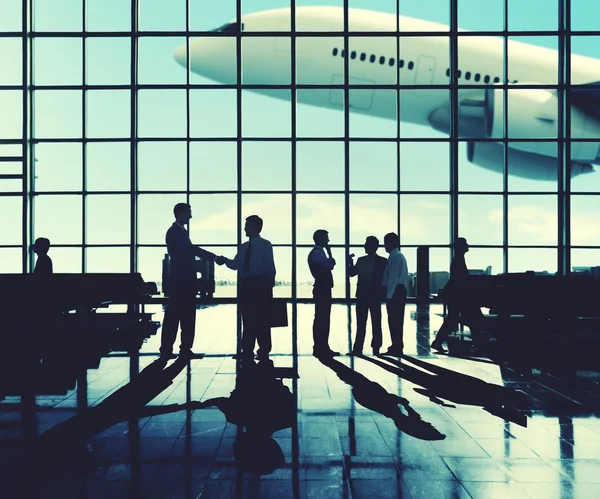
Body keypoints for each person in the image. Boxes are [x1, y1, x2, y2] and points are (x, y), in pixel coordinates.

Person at [161, 203, 221, 359]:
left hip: (180, 282)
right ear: (180, 213)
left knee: (177, 316)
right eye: (189, 212)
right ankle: (179, 349)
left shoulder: (177, 232)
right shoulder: (175, 232)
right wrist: (214, 257)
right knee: (183, 316)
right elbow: (191, 250)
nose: (191, 216)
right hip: (182, 282)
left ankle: (172, 349)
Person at [217, 215, 276, 361]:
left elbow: (269, 267)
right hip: (252, 286)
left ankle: (257, 349)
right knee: (251, 319)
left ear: (257, 227)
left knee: (256, 319)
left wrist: (269, 286)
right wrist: (225, 261)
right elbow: (236, 264)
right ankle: (254, 349)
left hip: (257, 285)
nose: (244, 228)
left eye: (247, 225)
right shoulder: (245, 247)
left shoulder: (264, 245)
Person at [431, 237, 486, 353]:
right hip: (460, 297)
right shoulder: (459, 260)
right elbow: (458, 280)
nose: (468, 246)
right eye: (465, 244)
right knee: (470, 319)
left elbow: (454, 280)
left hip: (457, 297)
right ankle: (479, 344)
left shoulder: (457, 259)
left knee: (457, 320)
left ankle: (438, 342)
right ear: (461, 247)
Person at [348, 236, 388, 355]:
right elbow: (351, 273)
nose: (364, 246)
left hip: (371, 296)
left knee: (374, 323)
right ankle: (360, 348)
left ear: (373, 246)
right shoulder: (365, 260)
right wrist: (349, 262)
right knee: (364, 323)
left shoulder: (382, 261)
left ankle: (372, 348)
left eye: (366, 244)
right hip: (364, 296)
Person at [308, 229, 339, 358]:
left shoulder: (317, 253)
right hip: (322, 289)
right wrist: (330, 252)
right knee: (323, 318)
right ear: (320, 239)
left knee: (321, 317)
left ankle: (321, 346)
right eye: (327, 238)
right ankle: (321, 347)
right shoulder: (317, 254)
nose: (328, 240)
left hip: (322, 288)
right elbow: (331, 264)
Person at [381, 232, 408, 356]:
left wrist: (389, 296)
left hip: (395, 292)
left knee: (394, 320)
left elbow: (393, 279)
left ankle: (396, 346)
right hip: (399, 291)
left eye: (386, 243)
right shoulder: (398, 256)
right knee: (397, 320)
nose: (384, 245)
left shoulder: (395, 257)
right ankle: (397, 345)